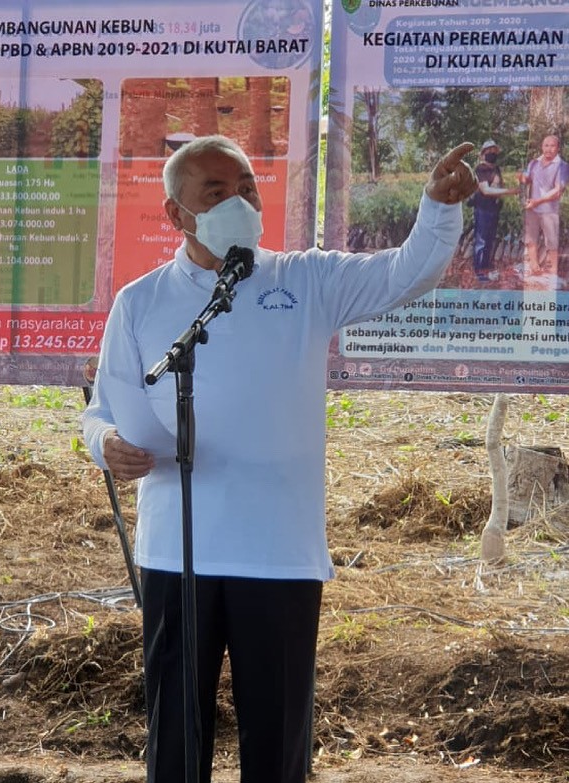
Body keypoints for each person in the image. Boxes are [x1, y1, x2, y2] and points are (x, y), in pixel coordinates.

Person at [82, 135, 477, 783]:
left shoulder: (305, 279)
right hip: (177, 552)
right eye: (216, 191)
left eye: (246, 188)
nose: (238, 201)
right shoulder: (141, 301)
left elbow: (406, 272)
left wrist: (436, 207)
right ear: (175, 213)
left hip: (278, 552)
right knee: (176, 739)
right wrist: (106, 445)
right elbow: (102, 407)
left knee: (278, 737)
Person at [518, 134, 569, 280]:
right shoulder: (534, 163)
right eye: (546, 145)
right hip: (532, 209)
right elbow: (527, 179)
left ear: (558, 148)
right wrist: (523, 178)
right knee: (531, 239)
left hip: (549, 211)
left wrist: (537, 201)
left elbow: (558, 191)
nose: (549, 149)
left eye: (552, 145)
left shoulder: (563, 166)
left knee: (552, 241)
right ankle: (534, 266)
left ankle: (553, 271)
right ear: (542, 147)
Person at [470, 139, 519, 283]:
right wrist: (511, 191)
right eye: (489, 151)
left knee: (490, 240)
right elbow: (485, 190)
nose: (492, 153)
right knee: (482, 240)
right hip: (483, 209)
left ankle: (486, 267)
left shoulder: (496, 169)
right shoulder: (481, 169)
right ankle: (479, 272)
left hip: (494, 209)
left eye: (494, 151)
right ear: (483, 153)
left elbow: (497, 188)